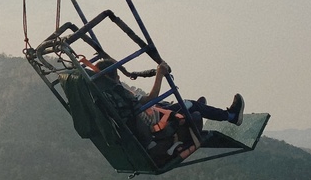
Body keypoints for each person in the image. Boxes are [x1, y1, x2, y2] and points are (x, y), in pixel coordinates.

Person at [94, 57, 244, 139]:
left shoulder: (105, 96)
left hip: (145, 117)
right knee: (190, 104)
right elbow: (151, 97)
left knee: (175, 104)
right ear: (114, 77)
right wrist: (159, 73)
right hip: (155, 124)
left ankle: (196, 108)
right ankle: (231, 116)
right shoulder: (118, 93)